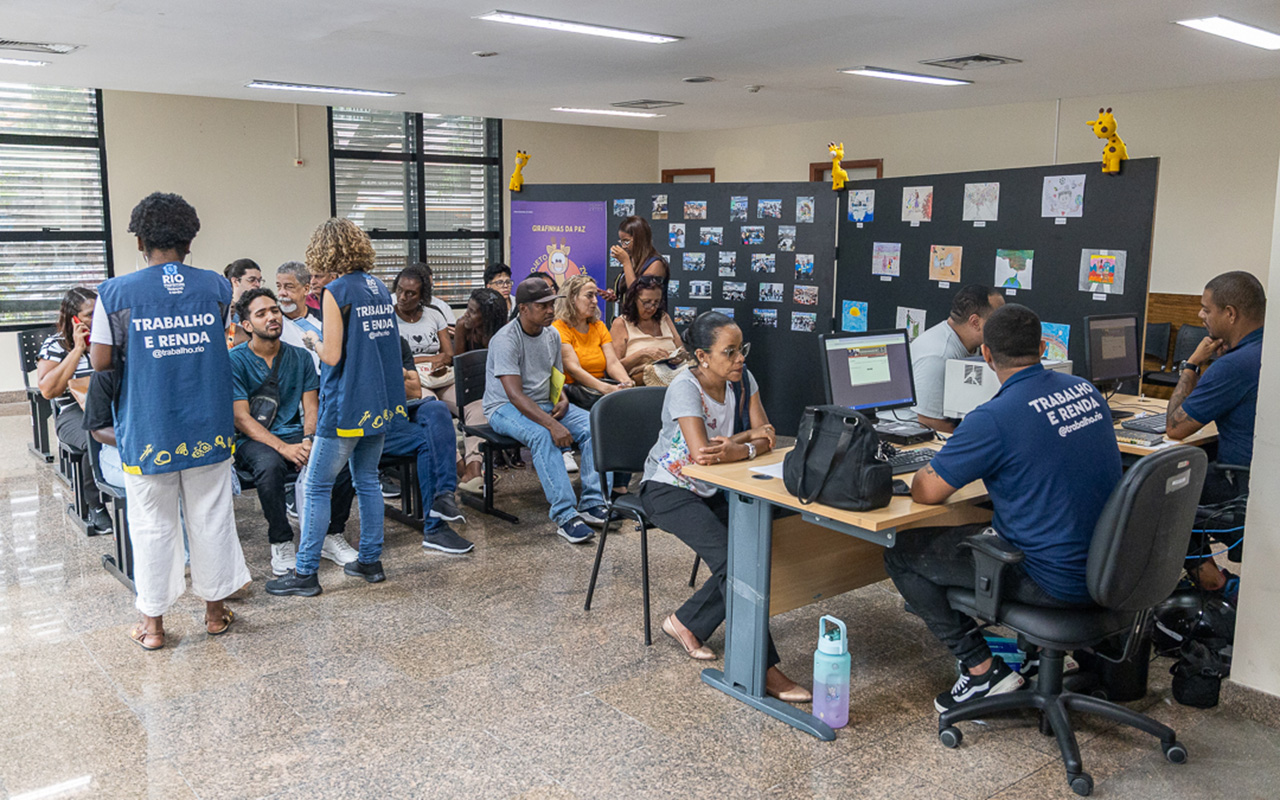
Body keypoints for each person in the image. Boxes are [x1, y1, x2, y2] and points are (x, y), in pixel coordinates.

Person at [883, 303, 1122, 713]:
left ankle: (981, 670)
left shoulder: (994, 417)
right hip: (1110, 566)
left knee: (901, 551)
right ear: (1043, 346)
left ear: (987, 355)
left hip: (1054, 580)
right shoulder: (1085, 390)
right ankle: (1028, 656)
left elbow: (926, 491)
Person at [89, 191, 250, 650]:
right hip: (207, 421)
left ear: (141, 240)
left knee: (152, 525)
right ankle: (215, 614)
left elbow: (101, 362)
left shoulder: (115, 292)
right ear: (189, 238)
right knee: (212, 517)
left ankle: (153, 626)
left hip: (149, 423)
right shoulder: (217, 288)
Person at [637, 312, 810, 703]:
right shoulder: (685, 388)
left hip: (717, 486)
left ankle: (685, 622)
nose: (739, 359)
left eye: (741, 349)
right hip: (669, 488)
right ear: (701, 355)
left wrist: (742, 445)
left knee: (764, 541)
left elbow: (768, 435)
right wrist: (745, 441)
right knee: (737, 561)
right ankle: (761, 669)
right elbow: (702, 455)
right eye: (729, 352)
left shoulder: (743, 380)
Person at [266, 218, 407, 596]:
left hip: (346, 404)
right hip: (378, 401)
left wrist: (311, 340)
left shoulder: (336, 291)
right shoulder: (378, 288)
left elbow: (332, 354)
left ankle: (306, 572)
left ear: (325, 253)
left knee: (315, 486)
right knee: (367, 481)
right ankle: (370, 561)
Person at [230, 288, 359, 576]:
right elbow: (241, 418)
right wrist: (284, 448)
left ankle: (331, 535)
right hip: (253, 439)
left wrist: (309, 439)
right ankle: (281, 540)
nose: (272, 317)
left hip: (296, 434)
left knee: (341, 460)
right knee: (269, 466)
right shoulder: (235, 360)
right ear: (247, 325)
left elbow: (311, 407)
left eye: (274, 310)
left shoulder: (300, 356)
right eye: (261, 313)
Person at [483, 277, 609, 544]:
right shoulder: (506, 339)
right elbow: (515, 395)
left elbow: (555, 376)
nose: (551, 310)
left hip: (543, 402)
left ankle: (591, 503)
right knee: (542, 436)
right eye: (543, 306)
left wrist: (562, 397)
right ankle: (566, 516)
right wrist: (552, 425)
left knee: (593, 426)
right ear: (524, 309)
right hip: (503, 407)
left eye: (552, 304)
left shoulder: (551, 334)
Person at [1165, 270, 1265, 599]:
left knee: (1157, 491)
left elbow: (1175, 427)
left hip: (1242, 489)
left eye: (1207, 309)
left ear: (1230, 313)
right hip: (1262, 481)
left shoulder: (1233, 366)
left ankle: (1211, 580)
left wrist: (1191, 365)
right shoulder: (1266, 350)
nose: (1200, 315)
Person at [383, 336, 472, 554]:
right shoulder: (351, 343)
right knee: (428, 440)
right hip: (371, 422)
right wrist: (400, 376)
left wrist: (390, 378)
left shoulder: (397, 342)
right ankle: (435, 528)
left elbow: (414, 391)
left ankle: (444, 496)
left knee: (437, 409)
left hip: (402, 410)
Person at [38, 286, 112, 532]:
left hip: (110, 406)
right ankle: (96, 504)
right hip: (73, 412)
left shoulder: (109, 338)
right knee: (95, 436)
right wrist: (78, 349)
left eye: (99, 312)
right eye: (90, 314)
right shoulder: (56, 345)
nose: (97, 318)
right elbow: (48, 390)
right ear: (74, 318)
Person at [883, 285, 1004, 433]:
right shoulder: (938, 356)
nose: (1004, 324)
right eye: (998, 319)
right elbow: (929, 421)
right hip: (910, 431)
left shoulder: (973, 344)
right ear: (975, 322)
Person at [553, 275, 635, 481]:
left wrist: (627, 383)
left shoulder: (598, 327)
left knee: (628, 417)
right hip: (573, 393)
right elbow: (573, 369)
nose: (595, 301)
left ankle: (620, 485)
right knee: (609, 421)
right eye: (589, 296)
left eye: (596, 296)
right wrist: (605, 389)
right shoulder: (559, 328)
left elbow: (613, 362)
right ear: (572, 298)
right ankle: (600, 489)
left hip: (597, 391)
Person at [454, 287, 510, 493]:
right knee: (474, 407)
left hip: (499, 390)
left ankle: (473, 470)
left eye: (472, 311)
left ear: (486, 317)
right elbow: (459, 369)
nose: (466, 314)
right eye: (467, 308)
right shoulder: (463, 326)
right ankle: (469, 469)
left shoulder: (504, 334)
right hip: (469, 389)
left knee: (480, 407)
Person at [393, 264, 457, 414]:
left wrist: (440, 362)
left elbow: (448, 354)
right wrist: (432, 358)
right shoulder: (388, 319)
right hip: (411, 380)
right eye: (399, 290)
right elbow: (394, 361)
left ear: (422, 296)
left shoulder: (434, 314)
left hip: (439, 377)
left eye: (410, 293)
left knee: (471, 406)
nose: (402, 297)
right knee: (434, 409)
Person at [610, 275, 685, 385]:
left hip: (673, 375)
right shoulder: (621, 323)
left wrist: (679, 356)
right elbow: (614, 367)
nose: (652, 308)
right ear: (634, 299)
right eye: (646, 302)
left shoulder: (664, 318)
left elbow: (681, 349)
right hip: (643, 383)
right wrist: (642, 354)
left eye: (656, 302)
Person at [608, 216, 668, 301]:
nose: (623, 246)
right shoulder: (633, 260)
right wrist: (615, 294)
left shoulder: (656, 264)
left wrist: (626, 262)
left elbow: (640, 298)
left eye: (626, 241)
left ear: (640, 239)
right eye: (621, 241)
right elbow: (628, 289)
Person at [276, 260, 323, 363]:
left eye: (289, 287)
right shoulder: (272, 321)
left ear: (306, 289)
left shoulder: (323, 319)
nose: (282, 293)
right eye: (279, 286)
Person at [223, 258, 263, 348]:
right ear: (235, 281)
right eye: (251, 280)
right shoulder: (224, 311)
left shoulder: (261, 310)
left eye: (259, 280)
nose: (257, 285)